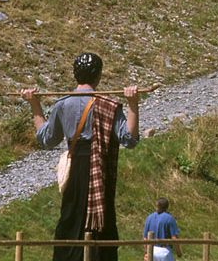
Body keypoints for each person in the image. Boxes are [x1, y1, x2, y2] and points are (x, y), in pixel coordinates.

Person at [21, 52, 140, 261]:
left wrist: (35, 105)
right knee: (101, 222)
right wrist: (133, 104)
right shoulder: (108, 104)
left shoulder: (63, 104)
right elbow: (129, 139)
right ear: (98, 75)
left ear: (76, 75)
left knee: (71, 218)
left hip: (76, 168)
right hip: (98, 170)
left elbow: (46, 139)